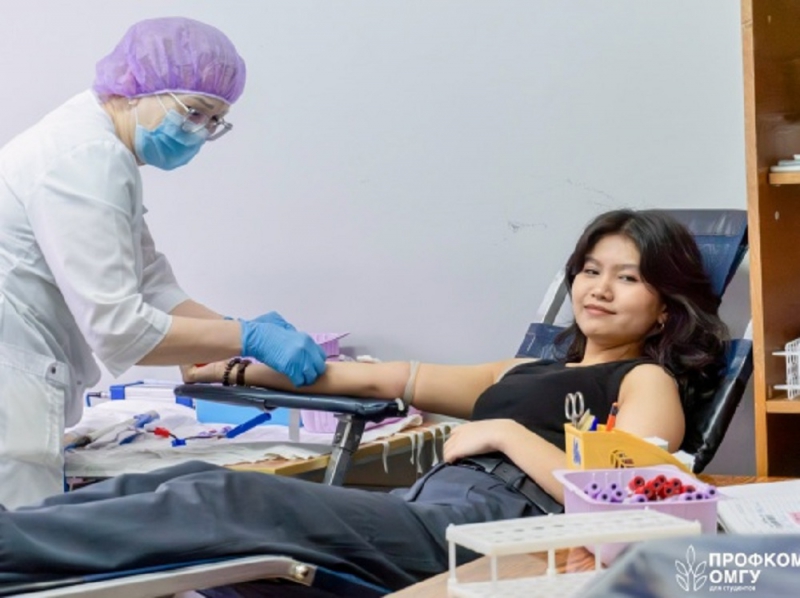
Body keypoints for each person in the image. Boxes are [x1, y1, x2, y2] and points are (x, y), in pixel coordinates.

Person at [0, 209, 728, 594]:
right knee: (185, 479)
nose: (599, 289)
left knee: (232, 501)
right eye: (591, 270)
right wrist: (246, 366)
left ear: (665, 306)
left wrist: (507, 434)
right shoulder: (524, 368)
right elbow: (384, 380)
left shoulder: (646, 381)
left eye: (628, 278)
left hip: (492, 531)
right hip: (428, 509)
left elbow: (636, 506)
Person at [0, 17, 326, 509]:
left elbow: (150, 280)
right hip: (12, 400)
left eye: (214, 121)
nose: (199, 131)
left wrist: (228, 328)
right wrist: (246, 338)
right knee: (21, 550)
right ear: (135, 88)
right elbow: (118, 329)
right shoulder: (88, 157)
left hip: (22, 395)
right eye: (193, 112)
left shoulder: (95, 148)